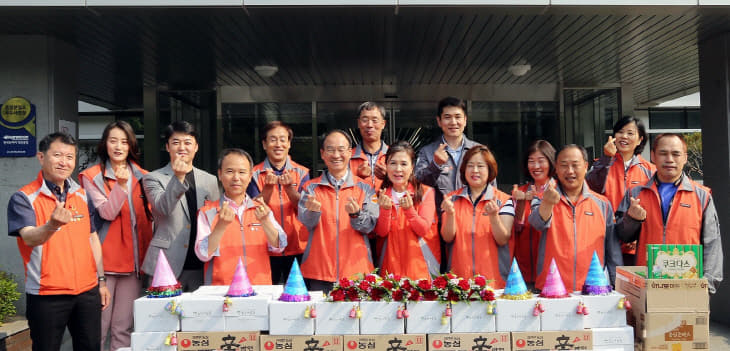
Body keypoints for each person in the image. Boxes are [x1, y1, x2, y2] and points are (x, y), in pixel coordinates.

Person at [7, 132, 110, 351]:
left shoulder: (81, 194)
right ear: (41, 157)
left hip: (87, 291)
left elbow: (92, 237)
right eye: (57, 155)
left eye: (70, 156)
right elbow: (28, 237)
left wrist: (101, 281)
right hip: (47, 294)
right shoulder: (24, 198)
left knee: (91, 346)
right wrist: (52, 225)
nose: (64, 162)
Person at [616, 133, 723, 293]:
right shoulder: (636, 194)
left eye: (676, 154)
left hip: (688, 288)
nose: (669, 159)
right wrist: (632, 218)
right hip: (647, 286)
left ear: (685, 157)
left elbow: (712, 244)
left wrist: (706, 286)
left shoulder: (702, 196)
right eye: (663, 153)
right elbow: (621, 235)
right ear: (653, 156)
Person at [79, 121, 153, 351]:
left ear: (131, 145)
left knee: (123, 328)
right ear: (105, 144)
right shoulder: (91, 177)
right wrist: (121, 186)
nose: (119, 146)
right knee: (99, 327)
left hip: (134, 263)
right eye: (113, 141)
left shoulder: (144, 176)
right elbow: (107, 213)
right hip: (104, 263)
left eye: (124, 141)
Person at [529, 144, 622, 292]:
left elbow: (613, 252)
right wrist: (547, 203)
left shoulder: (602, 204)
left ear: (585, 166)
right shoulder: (542, 199)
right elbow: (536, 223)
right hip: (551, 290)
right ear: (556, 169)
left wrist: (618, 287)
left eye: (575, 165)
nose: (570, 171)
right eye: (564, 165)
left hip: (593, 291)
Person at [142, 121, 220, 291]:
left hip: (201, 264)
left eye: (187, 142)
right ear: (167, 147)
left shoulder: (210, 180)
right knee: (162, 315)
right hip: (167, 261)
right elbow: (162, 209)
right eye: (176, 142)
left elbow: (215, 221)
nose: (182, 147)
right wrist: (178, 178)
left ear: (196, 147)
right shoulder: (153, 178)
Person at [298, 130, 379, 292]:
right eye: (330, 149)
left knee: (356, 317)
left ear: (350, 152)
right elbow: (305, 223)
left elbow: (371, 226)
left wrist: (356, 214)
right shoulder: (310, 188)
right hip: (318, 271)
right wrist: (313, 212)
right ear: (322, 154)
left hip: (356, 271)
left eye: (341, 149)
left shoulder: (365, 187)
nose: (336, 155)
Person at [195, 149, 287, 285]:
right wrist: (220, 225)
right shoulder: (207, 212)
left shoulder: (261, 209)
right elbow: (203, 254)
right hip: (222, 290)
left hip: (259, 287)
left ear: (250, 176)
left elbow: (280, 246)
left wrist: (265, 221)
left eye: (242, 172)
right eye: (230, 172)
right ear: (220, 175)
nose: (236, 178)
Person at [587, 116, 655, 265]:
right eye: (620, 132)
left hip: (635, 245)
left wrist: (637, 235)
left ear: (640, 140)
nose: (624, 136)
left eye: (630, 133)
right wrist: (606, 158)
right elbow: (590, 187)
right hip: (604, 239)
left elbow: (654, 206)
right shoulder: (601, 164)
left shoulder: (650, 170)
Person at [440, 145, 511, 287]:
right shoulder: (451, 199)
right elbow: (447, 237)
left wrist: (494, 216)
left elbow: (503, 239)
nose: (475, 171)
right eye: (470, 166)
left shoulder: (504, 200)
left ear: (490, 170)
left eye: (481, 166)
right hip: (459, 282)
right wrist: (451, 214)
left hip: (494, 282)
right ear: (464, 170)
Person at [247, 121, 309, 284]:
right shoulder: (253, 173)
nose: (278, 144)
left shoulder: (302, 172)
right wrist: (267, 188)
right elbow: (253, 210)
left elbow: (305, 210)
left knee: (297, 298)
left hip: (297, 246)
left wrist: (289, 189)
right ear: (264, 144)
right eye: (273, 139)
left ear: (289, 144)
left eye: (283, 139)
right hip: (265, 246)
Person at [374, 141, 439, 280]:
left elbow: (423, 229)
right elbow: (380, 232)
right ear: (386, 166)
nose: (398, 169)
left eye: (404, 164)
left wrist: (409, 210)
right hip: (389, 270)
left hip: (421, 271)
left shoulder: (426, 192)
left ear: (412, 167)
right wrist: (385, 209)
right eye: (393, 163)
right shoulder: (380, 194)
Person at [499, 140, 556, 286]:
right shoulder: (520, 192)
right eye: (531, 161)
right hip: (521, 272)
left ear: (550, 161)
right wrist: (522, 202)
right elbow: (515, 229)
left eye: (541, 161)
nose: (536, 166)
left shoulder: (558, 192)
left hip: (552, 273)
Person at [415, 97, 480, 208]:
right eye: (447, 117)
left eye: (458, 117)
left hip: (472, 219)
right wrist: (435, 165)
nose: (453, 122)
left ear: (465, 120)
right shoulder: (427, 152)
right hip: (441, 221)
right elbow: (417, 185)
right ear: (439, 121)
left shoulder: (479, 151)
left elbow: (491, 188)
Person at [350, 101, 389, 191]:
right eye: (365, 120)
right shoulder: (348, 157)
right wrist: (357, 177)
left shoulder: (394, 156)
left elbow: (408, 187)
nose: (370, 125)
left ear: (383, 124)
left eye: (374, 120)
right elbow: (340, 191)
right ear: (359, 123)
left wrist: (389, 178)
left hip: (387, 205)